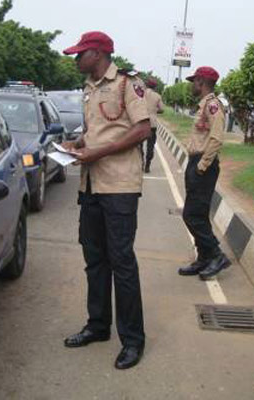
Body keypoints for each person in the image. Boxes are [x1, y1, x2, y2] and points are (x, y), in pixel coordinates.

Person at [61, 31, 151, 370]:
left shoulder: (129, 84)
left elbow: (142, 129)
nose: (75, 60)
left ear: (97, 53)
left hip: (119, 188)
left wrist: (98, 151)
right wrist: (76, 144)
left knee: (122, 264)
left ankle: (132, 341)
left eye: (80, 54)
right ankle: (98, 326)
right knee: (95, 260)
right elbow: (98, 130)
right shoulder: (89, 87)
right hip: (90, 186)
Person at [177, 66, 231, 280]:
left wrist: (202, 166)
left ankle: (217, 255)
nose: (192, 85)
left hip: (203, 166)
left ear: (201, 82)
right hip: (196, 162)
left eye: (194, 81)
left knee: (191, 215)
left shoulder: (213, 106)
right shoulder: (204, 105)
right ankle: (204, 258)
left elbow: (217, 138)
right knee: (197, 213)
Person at [143, 78, 164, 173]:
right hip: (152, 124)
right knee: (150, 146)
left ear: (146, 85)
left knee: (138, 145)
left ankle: (140, 163)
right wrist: (154, 111)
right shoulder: (157, 96)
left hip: (141, 121)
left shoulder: (140, 93)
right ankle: (147, 165)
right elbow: (162, 109)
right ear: (155, 87)